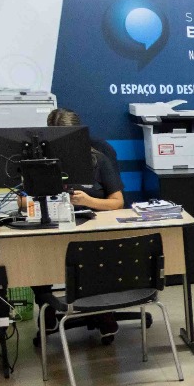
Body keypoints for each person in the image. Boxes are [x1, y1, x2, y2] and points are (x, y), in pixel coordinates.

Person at [33, 108, 126, 345]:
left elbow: (118, 202)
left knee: (93, 258)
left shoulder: (98, 158)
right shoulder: (40, 162)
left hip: (92, 230)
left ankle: (103, 312)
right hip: (54, 228)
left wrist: (89, 201)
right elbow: (24, 199)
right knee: (34, 257)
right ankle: (47, 309)